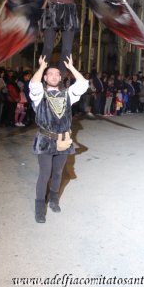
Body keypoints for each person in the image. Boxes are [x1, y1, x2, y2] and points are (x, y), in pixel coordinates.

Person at [29, 54, 88, 223]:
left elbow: (83, 85)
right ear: (45, 78)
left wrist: (71, 68)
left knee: (58, 172)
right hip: (45, 141)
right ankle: (40, 207)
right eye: (50, 74)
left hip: (63, 140)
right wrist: (41, 67)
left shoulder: (68, 94)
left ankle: (53, 199)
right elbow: (33, 84)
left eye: (57, 74)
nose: (54, 76)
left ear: (61, 78)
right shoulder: (39, 94)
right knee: (44, 174)